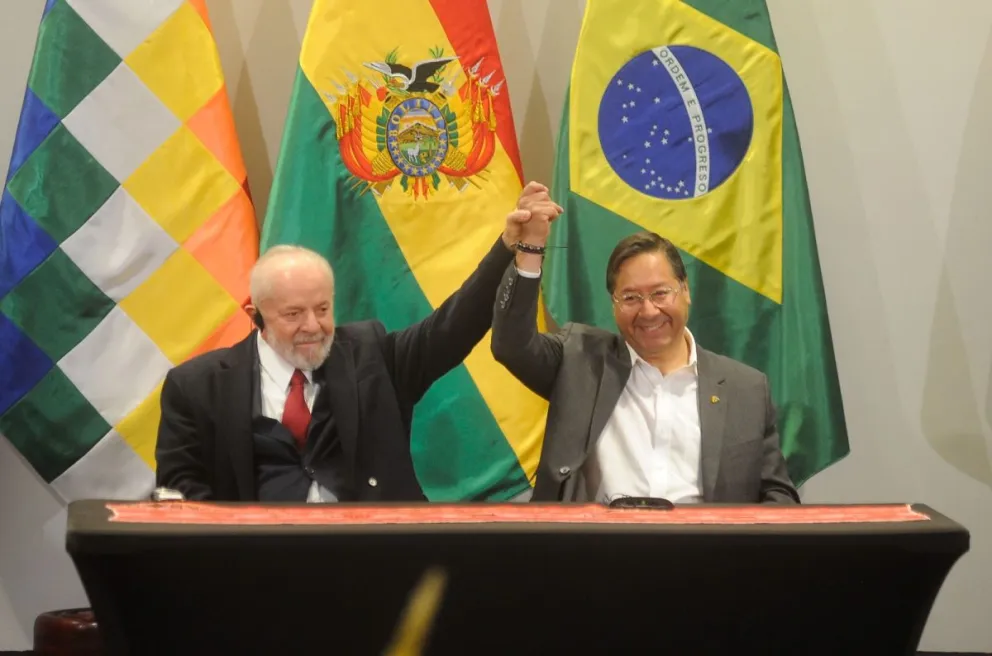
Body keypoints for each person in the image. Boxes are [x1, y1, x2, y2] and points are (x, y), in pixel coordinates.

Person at [155, 182, 563, 502]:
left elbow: (451, 328)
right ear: (255, 318)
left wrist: (510, 245)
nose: (313, 326)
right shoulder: (197, 387)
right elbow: (183, 491)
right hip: (258, 570)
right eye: (293, 315)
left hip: (380, 561)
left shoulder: (371, 356)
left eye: (322, 309)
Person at [491, 211, 799, 504]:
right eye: (631, 298)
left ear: (685, 290)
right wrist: (530, 248)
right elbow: (511, 344)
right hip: (596, 549)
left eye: (661, 293)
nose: (649, 311)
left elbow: (778, 498)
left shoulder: (745, 388)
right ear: (613, 304)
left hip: (703, 551)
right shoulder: (580, 360)